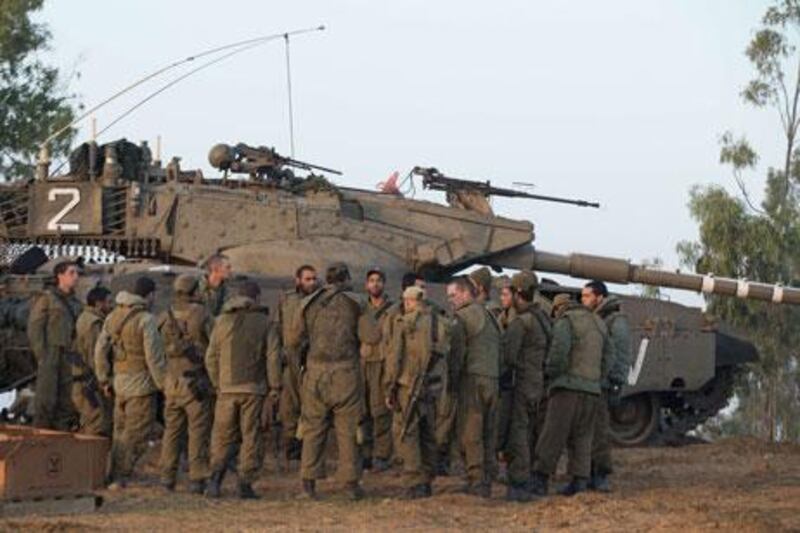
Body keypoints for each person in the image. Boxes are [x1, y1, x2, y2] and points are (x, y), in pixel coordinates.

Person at [289, 262, 365, 500]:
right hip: (346, 375)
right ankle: (350, 485)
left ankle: (308, 486)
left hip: (316, 374)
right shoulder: (357, 303)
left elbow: (293, 340)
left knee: (313, 429)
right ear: (347, 279)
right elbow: (372, 336)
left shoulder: (307, 303)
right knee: (348, 431)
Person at [530, 293, 613, 497]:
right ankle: (580, 481)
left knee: (553, 434)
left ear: (559, 308)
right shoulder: (599, 323)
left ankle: (540, 480)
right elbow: (609, 357)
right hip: (592, 390)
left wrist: (550, 374)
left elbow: (559, 353)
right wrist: (596, 380)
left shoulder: (566, 321)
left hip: (567, 388)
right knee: (583, 438)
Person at [205, 281, 281, 499]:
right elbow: (273, 358)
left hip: (226, 390)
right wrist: (275, 387)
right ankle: (245, 484)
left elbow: (211, 357)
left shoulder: (221, 321)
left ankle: (215, 481)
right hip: (253, 390)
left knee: (221, 437)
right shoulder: (265, 323)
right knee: (251, 437)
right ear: (256, 298)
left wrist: (218, 383)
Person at [95, 276, 167, 489]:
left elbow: (100, 350)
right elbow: (153, 357)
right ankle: (120, 476)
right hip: (141, 385)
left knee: (120, 432)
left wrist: (104, 378)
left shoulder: (112, 316)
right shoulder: (146, 319)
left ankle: (112, 472)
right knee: (137, 434)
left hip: (119, 383)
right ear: (150, 295)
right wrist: (163, 384)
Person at [384, 286, 451, 498]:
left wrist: (389, 386)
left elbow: (395, 358)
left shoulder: (404, 323)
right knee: (428, 433)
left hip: (408, 385)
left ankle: (414, 481)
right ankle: (427, 478)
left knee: (408, 433)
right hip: (432, 386)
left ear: (410, 301)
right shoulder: (440, 322)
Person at [158, 274, 214, 494]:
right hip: (195, 382)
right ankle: (197, 478)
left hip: (172, 382)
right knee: (197, 432)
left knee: (171, 432)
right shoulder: (201, 314)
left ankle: (166, 477)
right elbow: (215, 343)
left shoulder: (164, 316)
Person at [447, 275, 501, 498]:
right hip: (493, 379)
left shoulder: (462, 317)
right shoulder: (490, 315)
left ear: (464, 292)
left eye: (452, 295)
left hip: (472, 379)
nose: (450, 300)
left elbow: (457, 355)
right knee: (489, 432)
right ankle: (487, 478)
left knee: (471, 432)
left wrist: (452, 381)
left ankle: (476, 481)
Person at [502, 272, 552, 502]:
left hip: (521, 383)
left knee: (518, 433)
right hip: (537, 382)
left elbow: (509, 356)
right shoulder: (541, 317)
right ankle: (531, 477)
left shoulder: (522, 322)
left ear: (518, 293)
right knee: (531, 431)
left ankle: (519, 482)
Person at [581, 280, 632, 492]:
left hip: (603, 384)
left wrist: (615, 384)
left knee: (599, 432)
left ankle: (601, 475)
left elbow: (620, 356)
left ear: (599, 298)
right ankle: (587, 473)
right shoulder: (598, 318)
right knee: (587, 431)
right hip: (591, 382)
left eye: (586, 296)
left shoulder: (614, 321)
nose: (582, 300)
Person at [28, 260, 82, 430]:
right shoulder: (47, 299)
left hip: (69, 354)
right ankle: (40, 438)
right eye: (71, 273)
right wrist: (41, 355)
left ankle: (61, 438)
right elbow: (35, 327)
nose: (76, 277)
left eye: (77, 273)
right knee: (46, 399)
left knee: (67, 400)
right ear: (60, 275)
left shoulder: (75, 302)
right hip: (50, 352)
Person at [277, 265, 318, 460]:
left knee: (309, 404)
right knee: (289, 405)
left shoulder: (319, 300)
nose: (312, 282)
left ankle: (306, 445)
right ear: (298, 280)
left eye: (313, 279)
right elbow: (278, 327)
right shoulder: (287, 300)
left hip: (310, 358)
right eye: (308, 279)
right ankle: (290, 444)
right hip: (289, 357)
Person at [358, 267, 394, 472]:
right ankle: (365, 454)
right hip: (363, 363)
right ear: (366, 285)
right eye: (371, 281)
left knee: (381, 411)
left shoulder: (393, 309)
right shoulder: (361, 309)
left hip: (382, 363)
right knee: (363, 412)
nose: (375, 284)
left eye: (378, 280)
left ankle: (381, 455)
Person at [71, 286, 113, 436]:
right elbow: (94, 356)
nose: (111, 305)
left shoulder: (85, 317)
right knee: (97, 424)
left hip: (83, 382)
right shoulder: (94, 323)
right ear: (98, 303)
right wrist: (104, 380)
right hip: (88, 384)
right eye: (108, 302)